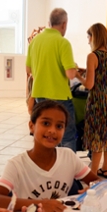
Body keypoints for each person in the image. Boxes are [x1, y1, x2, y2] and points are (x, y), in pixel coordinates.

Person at [0, 100, 99, 212]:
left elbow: (97, 181)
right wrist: (39, 204)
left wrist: (94, 189)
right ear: (31, 126)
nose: (52, 130)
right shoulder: (16, 164)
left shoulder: (68, 156)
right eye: (46, 123)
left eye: (59, 126)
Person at [26, 8, 78, 152]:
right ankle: (67, 172)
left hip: (40, 96)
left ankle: (47, 167)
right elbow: (70, 74)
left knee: (45, 134)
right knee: (66, 136)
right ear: (64, 24)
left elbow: (29, 70)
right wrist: (73, 67)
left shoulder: (35, 41)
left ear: (49, 22)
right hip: (60, 97)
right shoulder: (63, 43)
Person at [75, 23, 107, 179]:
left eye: (89, 36)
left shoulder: (92, 56)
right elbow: (105, 75)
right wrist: (86, 71)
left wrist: (77, 75)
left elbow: (89, 84)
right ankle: (105, 169)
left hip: (98, 102)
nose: (88, 41)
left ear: (94, 36)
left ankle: (93, 173)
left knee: (97, 139)